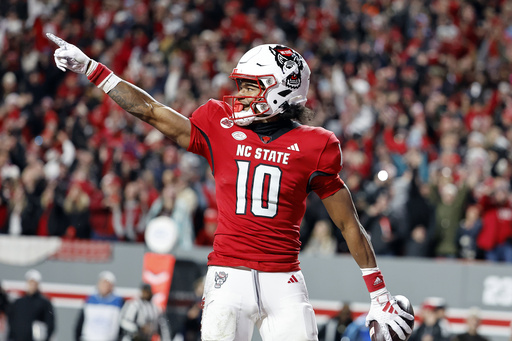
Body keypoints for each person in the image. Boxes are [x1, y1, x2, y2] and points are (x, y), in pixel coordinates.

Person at [47, 34, 413, 341]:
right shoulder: (217, 122)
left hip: (283, 280)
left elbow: (349, 224)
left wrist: (379, 292)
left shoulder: (316, 146)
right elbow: (152, 111)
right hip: (227, 277)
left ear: (281, 89)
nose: (239, 95)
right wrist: (94, 70)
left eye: (252, 86)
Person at [7, 269, 55, 341]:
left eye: (34, 283)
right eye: (30, 282)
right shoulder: (19, 303)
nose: (32, 285)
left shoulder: (44, 303)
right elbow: (12, 322)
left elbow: (50, 324)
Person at [75, 271, 124, 341]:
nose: (104, 286)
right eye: (102, 283)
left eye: (107, 284)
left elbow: (121, 325)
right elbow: (81, 322)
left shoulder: (118, 301)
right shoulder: (90, 299)